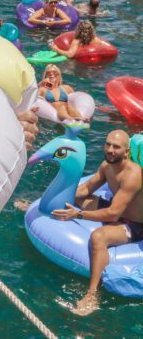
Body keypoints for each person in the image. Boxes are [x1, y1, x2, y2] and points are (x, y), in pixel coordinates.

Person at [51, 130, 143, 316]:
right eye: (107, 144)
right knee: (76, 197)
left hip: (136, 223)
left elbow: (112, 214)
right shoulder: (107, 166)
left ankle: (92, 295)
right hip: (118, 206)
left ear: (126, 152)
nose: (110, 150)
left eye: (116, 147)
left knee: (99, 237)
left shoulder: (133, 175)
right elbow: (86, 188)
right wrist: (54, 199)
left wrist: (77, 215)